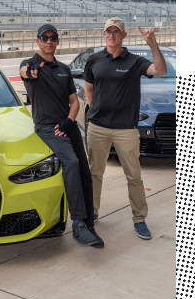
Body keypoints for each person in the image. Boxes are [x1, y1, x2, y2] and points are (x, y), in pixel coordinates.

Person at [20, 24, 103, 248]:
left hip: (67, 124)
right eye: (44, 37)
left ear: (57, 41)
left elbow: (74, 101)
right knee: (72, 163)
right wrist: (29, 72)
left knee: (85, 171)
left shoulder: (64, 69)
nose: (49, 41)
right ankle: (77, 224)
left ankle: (88, 223)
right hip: (48, 127)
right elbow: (24, 72)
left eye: (53, 38)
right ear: (37, 41)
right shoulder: (31, 64)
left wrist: (70, 119)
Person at [84, 18, 167, 240]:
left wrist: (152, 43)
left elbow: (160, 69)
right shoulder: (93, 60)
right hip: (98, 127)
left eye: (116, 32)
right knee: (94, 173)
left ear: (123, 35)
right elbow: (89, 89)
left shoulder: (134, 61)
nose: (112, 35)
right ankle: (92, 213)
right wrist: (95, 110)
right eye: (108, 31)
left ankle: (139, 219)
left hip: (126, 130)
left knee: (134, 176)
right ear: (103, 35)